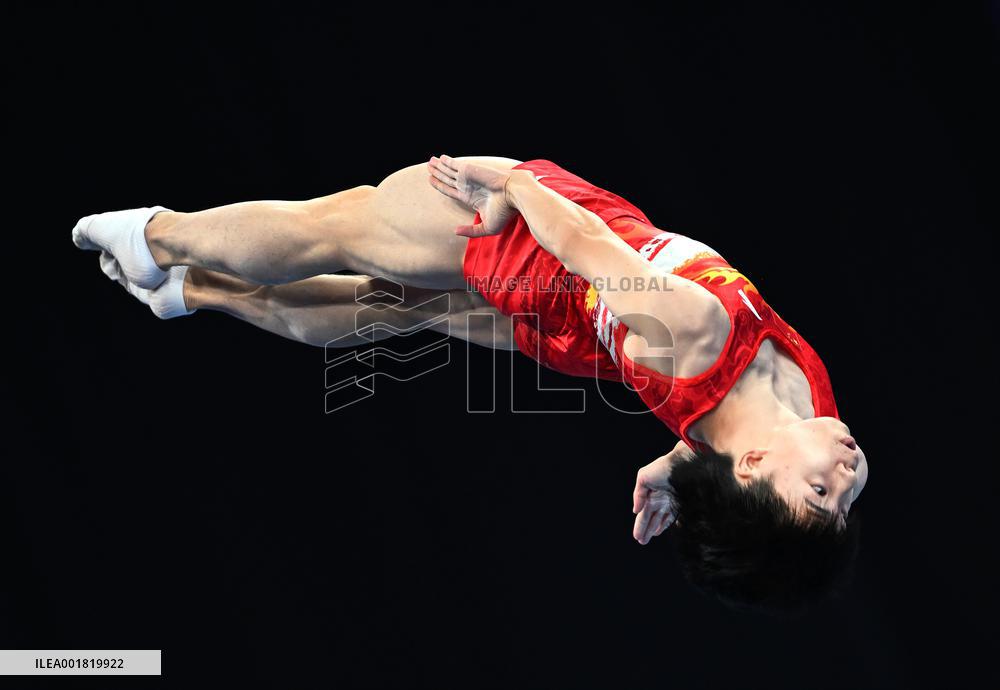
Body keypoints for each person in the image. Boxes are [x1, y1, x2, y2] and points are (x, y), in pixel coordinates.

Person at [72, 154, 867, 615]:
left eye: (820, 495)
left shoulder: (701, 334)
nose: (846, 475)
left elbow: (581, 237)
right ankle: (195, 294)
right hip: (581, 335)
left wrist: (509, 183)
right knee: (398, 313)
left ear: (755, 470)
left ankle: (159, 236)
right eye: (844, 500)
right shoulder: (804, 429)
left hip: (548, 256)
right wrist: (676, 470)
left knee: (337, 226)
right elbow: (721, 435)